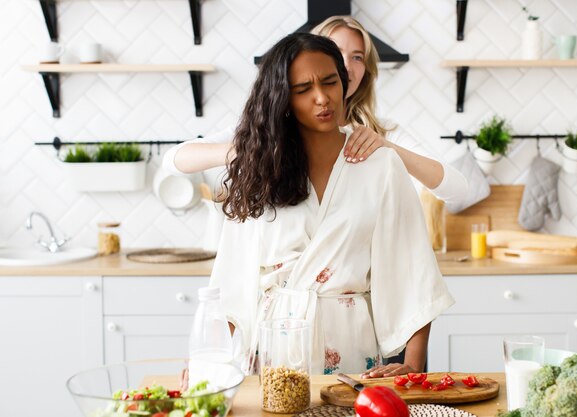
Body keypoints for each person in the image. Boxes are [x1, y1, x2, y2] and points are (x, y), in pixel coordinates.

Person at [208, 32, 454, 378]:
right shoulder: (259, 169)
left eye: (330, 82)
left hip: (353, 350)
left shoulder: (381, 165)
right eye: (303, 89)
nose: (322, 98)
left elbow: (412, 268)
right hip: (274, 351)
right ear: (282, 98)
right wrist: (211, 363)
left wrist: (412, 365)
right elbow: (231, 279)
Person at [162, 16, 468, 204]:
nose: (346, 66)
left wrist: (386, 147)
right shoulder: (271, 128)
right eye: (336, 53)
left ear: (367, 70)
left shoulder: (382, 132)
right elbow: (174, 160)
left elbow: (458, 191)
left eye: (358, 57)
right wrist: (253, 150)